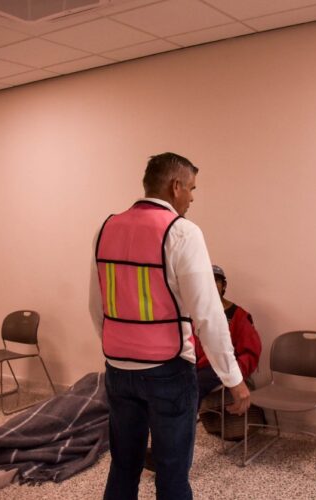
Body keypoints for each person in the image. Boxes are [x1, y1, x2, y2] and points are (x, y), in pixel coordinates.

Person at [89, 152, 251, 500]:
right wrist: (234, 379)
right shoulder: (182, 232)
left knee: (123, 467)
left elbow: (97, 306)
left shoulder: (106, 228)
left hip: (118, 369)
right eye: (191, 188)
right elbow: (208, 313)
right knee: (172, 471)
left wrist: (121, 348)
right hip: (168, 371)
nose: (192, 197)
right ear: (175, 186)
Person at [195, 264, 262, 404]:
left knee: (192, 387)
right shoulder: (196, 313)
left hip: (223, 367)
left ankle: (184, 424)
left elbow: (250, 353)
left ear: (224, 285)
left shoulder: (239, 316)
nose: (211, 286)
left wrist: (234, 375)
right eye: (206, 281)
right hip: (197, 366)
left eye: (215, 281)